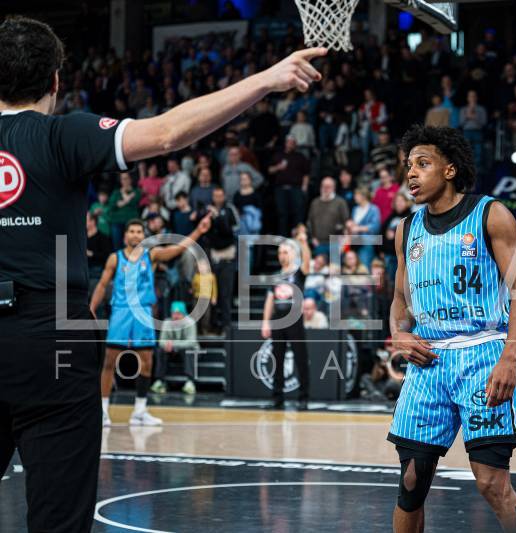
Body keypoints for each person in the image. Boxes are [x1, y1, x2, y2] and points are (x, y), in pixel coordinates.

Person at [0, 18, 322, 531]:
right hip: (51, 333)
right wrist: (266, 79)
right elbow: (170, 131)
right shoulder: (63, 134)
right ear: (56, 81)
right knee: (57, 519)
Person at [387, 125, 516, 532]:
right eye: (408, 166)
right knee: (411, 482)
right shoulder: (406, 230)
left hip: (483, 355)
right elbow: (399, 299)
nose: (411, 173)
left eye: (422, 164)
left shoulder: (491, 214)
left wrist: (509, 358)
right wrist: (399, 334)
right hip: (428, 360)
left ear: (449, 170)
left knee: (491, 482)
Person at [90, 217, 211, 426]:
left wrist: (198, 231)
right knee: (109, 361)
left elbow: (178, 248)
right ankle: (102, 411)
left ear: (144, 236)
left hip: (143, 312)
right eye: (132, 231)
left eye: (139, 231)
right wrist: (91, 308)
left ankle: (139, 411)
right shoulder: (115, 258)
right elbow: (102, 285)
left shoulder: (151, 255)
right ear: (125, 236)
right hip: (121, 311)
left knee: (147, 361)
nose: (135, 235)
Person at [260, 236, 311, 410]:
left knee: (300, 358)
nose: (282, 255)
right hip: (278, 320)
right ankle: (277, 398)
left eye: (285, 252)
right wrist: (265, 322)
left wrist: (303, 243)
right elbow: (269, 300)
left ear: (293, 254)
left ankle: (303, 397)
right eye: (280, 252)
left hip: (294, 320)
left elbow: (307, 262)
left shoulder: (298, 272)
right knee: (278, 359)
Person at [206, 186, 240, 333]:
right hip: (213, 256)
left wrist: (219, 217)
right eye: (215, 196)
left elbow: (232, 230)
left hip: (227, 256)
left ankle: (226, 325)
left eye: (220, 196)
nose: (218, 198)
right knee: (213, 293)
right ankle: (213, 324)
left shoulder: (230, 209)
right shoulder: (207, 210)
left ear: (224, 196)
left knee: (226, 293)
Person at [151, 301, 201, 396]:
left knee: (189, 350)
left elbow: (191, 342)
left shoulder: (190, 322)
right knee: (160, 350)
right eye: (174, 313)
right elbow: (161, 341)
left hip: (189, 351)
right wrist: (168, 345)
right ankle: (159, 381)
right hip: (172, 351)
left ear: (184, 314)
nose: (176, 316)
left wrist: (172, 344)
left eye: (178, 314)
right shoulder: (167, 323)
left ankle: (190, 382)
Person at [268, 135, 310, 236]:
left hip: (296, 188)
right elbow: (269, 170)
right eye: (289, 142)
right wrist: (278, 167)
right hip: (280, 189)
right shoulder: (278, 155)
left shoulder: (300, 157)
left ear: (295, 144)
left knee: (298, 214)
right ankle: (283, 238)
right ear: (285, 143)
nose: (290, 144)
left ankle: (298, 237)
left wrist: (304, 187)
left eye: (292, 142)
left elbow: (306, 174)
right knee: (282, 214)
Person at [307, 176, 350, 257]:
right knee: (320, 265)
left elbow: (347, 222)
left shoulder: (340, 202)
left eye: (328, 187)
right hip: (319, 243)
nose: (325, 189)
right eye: (323, 186)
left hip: (336, 243)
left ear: (333, 188)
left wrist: (344, 242)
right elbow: (309, 222)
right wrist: (312, 238)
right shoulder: (315, 203)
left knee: (335, 265)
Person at [347, 186, 381, 268]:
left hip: (367, 242)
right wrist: (350, 225)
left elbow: (375, 227)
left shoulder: (373, 209)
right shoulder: (355, 209)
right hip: (355, 241)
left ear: (363, 196)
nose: (355, 197)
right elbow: (354, 226)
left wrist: (358, 228)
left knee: (364, 266)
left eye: (357, 195)